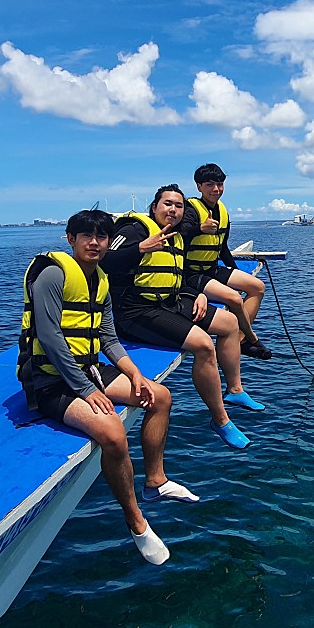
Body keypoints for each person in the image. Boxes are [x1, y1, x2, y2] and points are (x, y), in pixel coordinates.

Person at [19, 209, 199, 566]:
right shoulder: (53, 275)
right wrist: (86, 391)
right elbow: (51, 338)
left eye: (101, 236)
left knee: (160, 396)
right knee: (113, 433)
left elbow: (108, 338)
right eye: (86, 236)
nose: (94, 243)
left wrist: (135, 375)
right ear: (70, 239)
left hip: (86, 369)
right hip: (49, 379)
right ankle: (136, 522)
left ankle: (156, 482)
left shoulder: (100, 279)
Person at [102, 184, 265, 450]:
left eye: (179, 206)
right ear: (154, 207)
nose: (174, 210)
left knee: (229, 322)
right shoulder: (135, 230)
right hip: (135, 312)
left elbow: (174, 277)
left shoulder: (176, 237)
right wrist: (141, 248)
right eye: (168, 204)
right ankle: (220, 420)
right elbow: (104, 260)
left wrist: (196, 294)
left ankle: (235, 390)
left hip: (168, 303)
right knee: (203, 345)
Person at [178, 162, 272, 360]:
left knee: (257, 286)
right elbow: (180, 234)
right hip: (191, 273)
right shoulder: (191, 209)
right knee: (235, 299)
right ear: (199, 187)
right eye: (210, 184)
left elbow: (223, 247)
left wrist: (235, 270)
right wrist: (200, 229)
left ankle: (239, 339)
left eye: (220, 184)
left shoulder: (222, 211)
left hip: (212, 268)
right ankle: (251, 338)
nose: (216, 189)